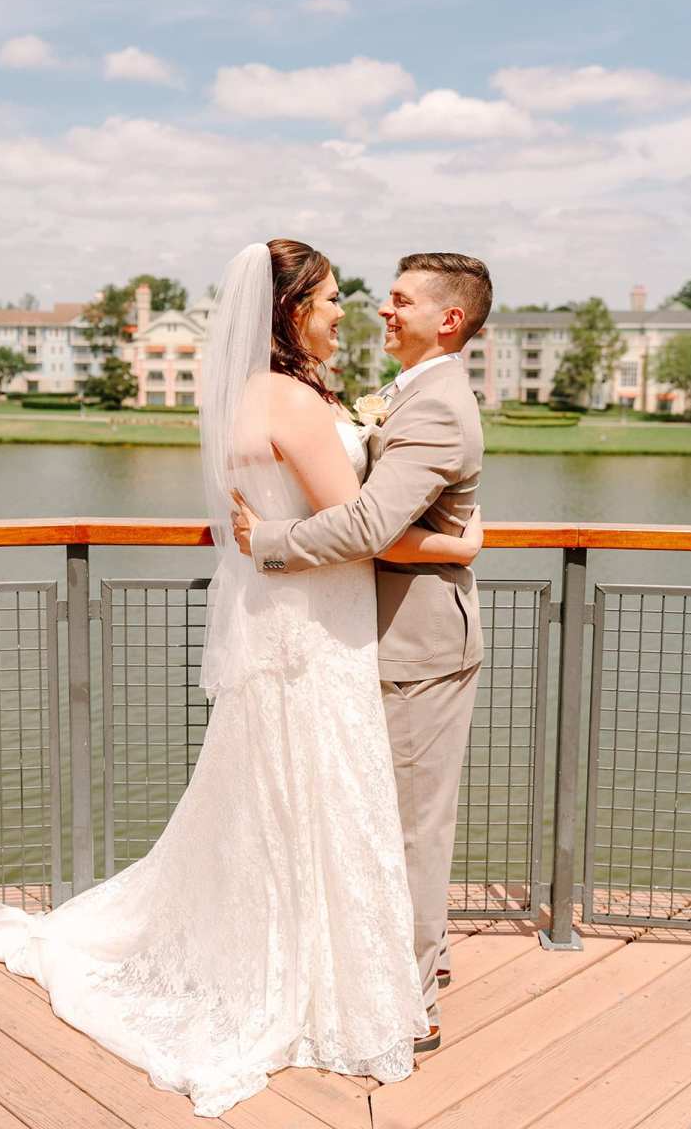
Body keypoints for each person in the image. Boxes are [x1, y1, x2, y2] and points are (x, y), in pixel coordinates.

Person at [0, 240, 480, 1117]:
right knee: (327, 805)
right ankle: (339, 981)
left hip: (289, 627)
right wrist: (463, 543)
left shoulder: (255, 394)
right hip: (319, 627)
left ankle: (310, 959)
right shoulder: (293, 401)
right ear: (290, 311)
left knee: (284, 806)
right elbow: (362, 528)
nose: (347, 311)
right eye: (330, 298)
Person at [232, 250, 489, 1050]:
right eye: (372, 296)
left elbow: (372, 526)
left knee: (410, 828)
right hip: (366, 636)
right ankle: (424, 960)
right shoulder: (406, 395)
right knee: (381, 816)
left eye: (399, 299)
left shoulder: (438, 405)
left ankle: (411, 1009)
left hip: (417, 647)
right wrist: (454, 545)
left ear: (448, 319)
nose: (381, 310)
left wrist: (267, 543)